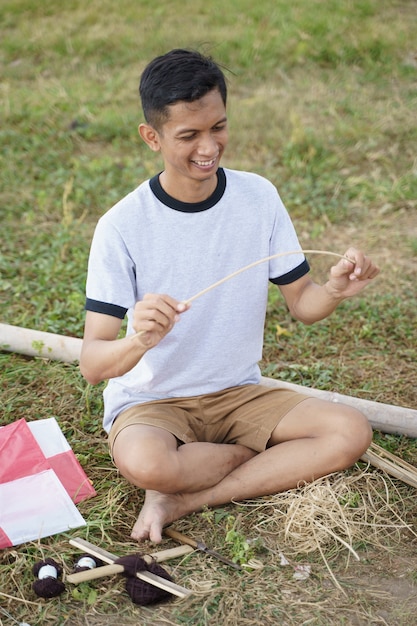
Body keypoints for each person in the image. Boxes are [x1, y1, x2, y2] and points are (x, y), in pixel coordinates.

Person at [80, 48, 380, 544]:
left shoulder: (257, 197)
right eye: (189, 135)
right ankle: (253, 461)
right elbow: (93, 363)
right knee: (146, 462)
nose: (209, 146)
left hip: (239, 394)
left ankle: (189, 497)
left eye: (218, 127)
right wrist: (139, 341)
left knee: (349, 431)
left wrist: (332, 290)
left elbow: (303, 305)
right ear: (151, 137)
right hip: (153, 404)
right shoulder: (122, 226)